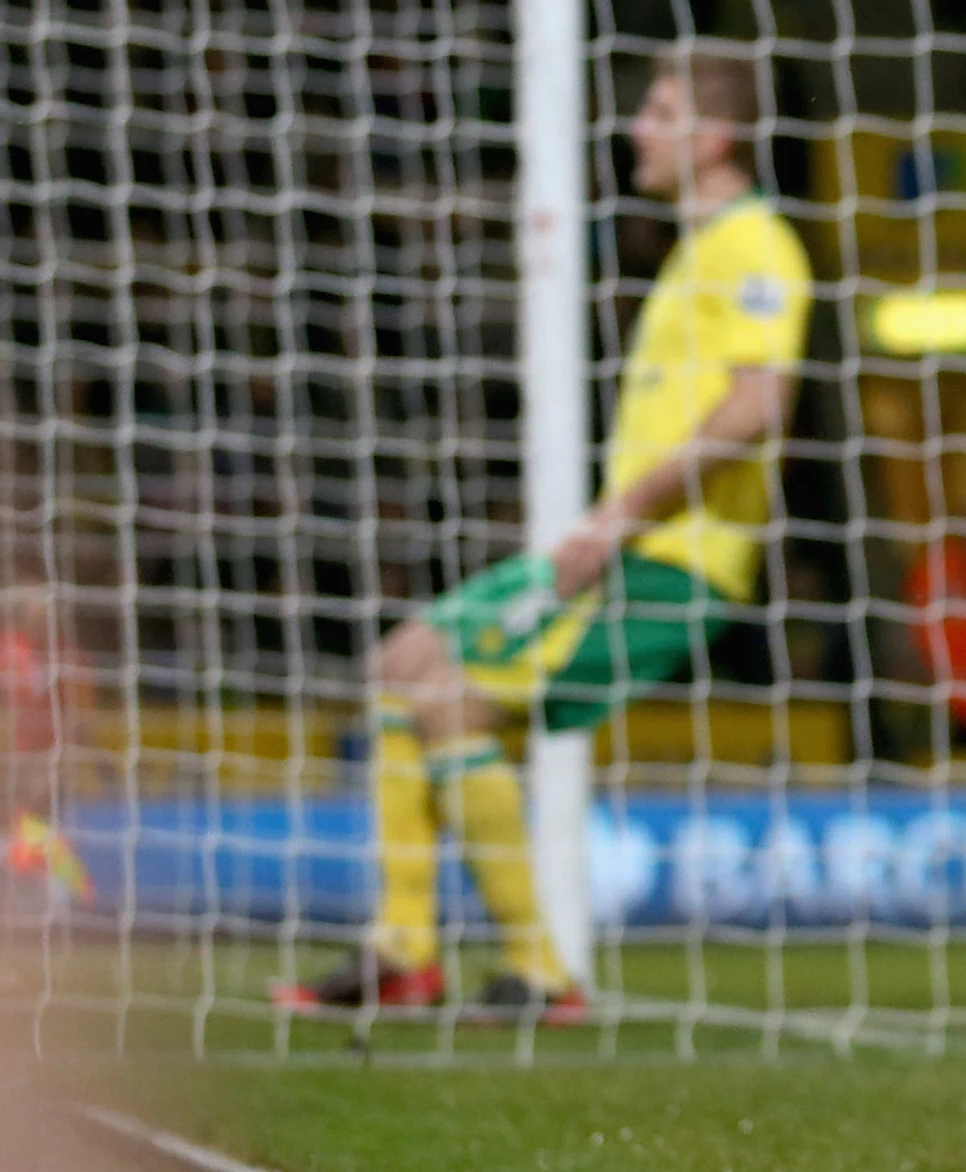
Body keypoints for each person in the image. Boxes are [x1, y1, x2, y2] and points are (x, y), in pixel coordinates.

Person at [275, 51, 810, 1020]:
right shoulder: (699, 250)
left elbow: (757, 403)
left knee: (452, 694)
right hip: (625, 546)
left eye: (658, 110)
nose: (636, 128)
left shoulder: (755, 244)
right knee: (408, 661)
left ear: (714, 136)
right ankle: (407, 950)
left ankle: (534, 971)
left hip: (666, 561)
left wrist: (618, 514)